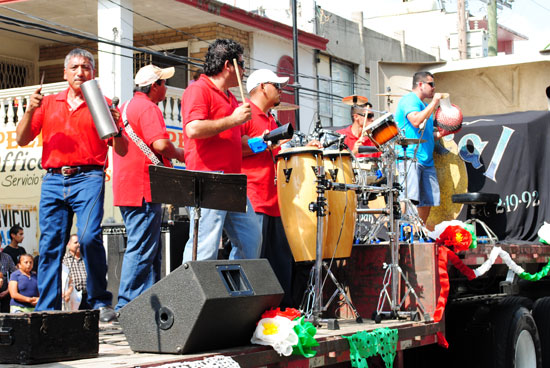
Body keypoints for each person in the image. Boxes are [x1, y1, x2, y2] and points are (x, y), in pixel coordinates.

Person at [15, 48, 127, 322]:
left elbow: (121, 150)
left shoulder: (102, 103)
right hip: (53, 178)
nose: (80, 72)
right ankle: (49, 309)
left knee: (88, 237)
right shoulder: (48, 102)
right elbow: (21, 139)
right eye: (75, 67)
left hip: (89, 176)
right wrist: (29, 109)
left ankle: (100, 301)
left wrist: (116, 125)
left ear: (93, 73)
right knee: (51, 243)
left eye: (86, 67)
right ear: (65, 73)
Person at [181, 38, 261, 262]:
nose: (244, 71)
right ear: (229, 65)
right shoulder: (198, 90)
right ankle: (188, 297)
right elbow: (193, 129)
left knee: (251, 240)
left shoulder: (231, 97)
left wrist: (264, 142)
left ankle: (235, 293)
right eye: (242, 65)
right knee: (204, 248)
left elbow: (236, 138)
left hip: (232, 181)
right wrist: (233, 120)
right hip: (208, 179)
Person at [113, 64, 185, 310]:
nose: (166, 88)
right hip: (144, 185)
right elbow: (162, 145)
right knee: (143, 247)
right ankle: (127, 304)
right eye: (164, 83)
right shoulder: (148, 107)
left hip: (128, 186)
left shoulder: (125, 107)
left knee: (148, 248)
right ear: (155, 86)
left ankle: (146, 304)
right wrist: (181, 155)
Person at [240, 68, 295, 306]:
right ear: (262, 86)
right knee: (255, 265)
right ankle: (250, 315)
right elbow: (237, 147)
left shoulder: (272, 119)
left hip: (275, 201)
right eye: (276, 85)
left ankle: (279, 314)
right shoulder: (244, 113)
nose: (280, 90)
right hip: (254, 199)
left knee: (281, 265)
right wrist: (266, 142)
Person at [394, 71, 449, 226]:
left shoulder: (425, 106)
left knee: (427, 199)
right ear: (420, 84)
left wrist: (446, 131)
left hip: (427, 159)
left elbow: (429, 135)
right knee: (409, 196)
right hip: (410, 157)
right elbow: (416, 121)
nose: (434, 88)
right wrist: (434, 103)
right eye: (431, 84)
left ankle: (419, 231)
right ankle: (404, 231)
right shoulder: (409, 100)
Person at [62, 234, 90, 309]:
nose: (78, 245)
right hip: (73, 298)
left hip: (88, 296)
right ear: (68, 244)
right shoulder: (64, 260)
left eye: (80, 242)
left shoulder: (87, 258)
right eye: (76, 242)